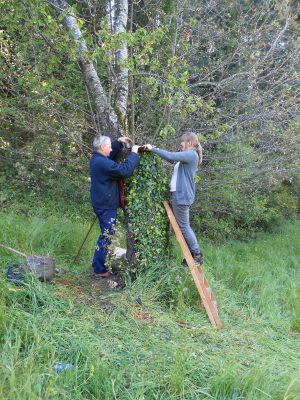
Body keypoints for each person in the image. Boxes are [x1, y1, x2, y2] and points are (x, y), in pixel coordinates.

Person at [145, 132, 204, 265]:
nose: (180, 144)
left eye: (182, 142)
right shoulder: (188, 155)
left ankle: (197, 254)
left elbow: (171, 155)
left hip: (182, 196)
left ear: (189, 142)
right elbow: (171, 159)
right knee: (183, 226)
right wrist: (154, 148)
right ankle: (191, 254)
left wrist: (152, 149)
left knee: (184, 227)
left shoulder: (191, 154)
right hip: (180, 195)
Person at [90, 135, 140, 278]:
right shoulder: (101, 163)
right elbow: (124, 170)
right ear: (102, 147)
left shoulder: (98, 158)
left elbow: (110, 154)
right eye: (109, 146)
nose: (111, 148)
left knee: (107, 234)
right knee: (107, 235)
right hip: (105, 205)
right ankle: (99, 269)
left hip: (103, 203)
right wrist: (134, 154)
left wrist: (118, 143)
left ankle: (99, 266)